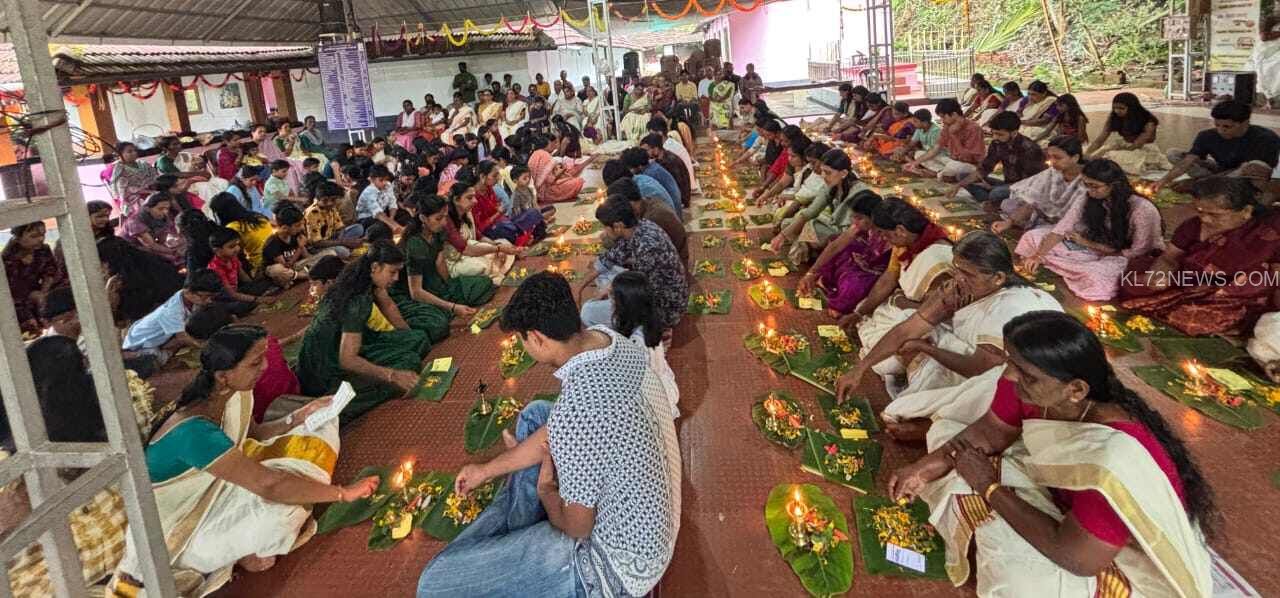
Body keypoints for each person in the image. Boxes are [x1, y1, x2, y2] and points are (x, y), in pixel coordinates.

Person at [889, 311, 1213, 598]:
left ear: (1076, 390)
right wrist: (922, 469)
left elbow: (1078, 559)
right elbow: (990, 431)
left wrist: (988, 486)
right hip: (1064, 506)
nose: (1009, 376)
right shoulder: (1030, 383)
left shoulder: (1113, 458)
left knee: (1017, 579)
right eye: (1010, 363)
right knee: (948, 441)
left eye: (1026, 375)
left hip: (1114, 556)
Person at [416, 272, 679, 597]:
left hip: (617, 564)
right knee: (537, 414)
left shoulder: (578, 409)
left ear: (537, 338)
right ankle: (514, 527)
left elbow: (579, 527)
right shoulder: (610, 340)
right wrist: (486, 470)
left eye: (522, 340)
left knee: (434, 581)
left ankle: (511, 530)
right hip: (652, 513)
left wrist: (547, 495)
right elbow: (556, 430)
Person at [110, 325, 378, 597]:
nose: (265, 367)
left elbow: (255, 434)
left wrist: (300, 416)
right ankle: (231, 556)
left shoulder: (234, 392)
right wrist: (343, 493)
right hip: (179, 532)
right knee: (283, 515)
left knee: (320, 425)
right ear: (223, 375)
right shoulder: (192, 431)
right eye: (254, 363)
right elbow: (268, 485)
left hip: (220, 488)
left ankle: (243, 546)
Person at [839, 231, 1062, 429]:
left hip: (1009, 386)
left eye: (968, 275)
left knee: (898, 412)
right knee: (901, 336)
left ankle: (929, 422)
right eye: (956, 270)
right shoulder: (962, 287)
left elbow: (979, 370)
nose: (958, 279)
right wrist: (859, 370)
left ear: (998, 278)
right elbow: (908, 329)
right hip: (976, 364)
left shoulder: (1009, 306)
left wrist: (926, 349)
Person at [3, 336, 160, 598]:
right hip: (134, 535)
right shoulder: (123, 399)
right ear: (84, 365)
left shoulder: (25, 453)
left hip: (79, 570)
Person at [1120, 176, 1280, 335]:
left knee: (1187, 319)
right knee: (1132, 283)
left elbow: (1273, 275)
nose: (1205, 219)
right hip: (1188, 281)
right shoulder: (1192, 226)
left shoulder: (1267, 235)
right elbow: (1169, 257)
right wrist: (1161, 273)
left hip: (1234, 293)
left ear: (1246, 211)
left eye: (1215, 215)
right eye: (1200, 211)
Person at [295, 243, 433, 421]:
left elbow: (388, 306)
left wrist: (407, 337)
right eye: (392, 272)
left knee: (418, 338)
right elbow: (347, 360)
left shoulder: (364, 276)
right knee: (408, 363)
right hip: (324, 367)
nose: (397, 278)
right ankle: (330, 406)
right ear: (375, 267)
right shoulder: (356, 300)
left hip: (350, 345)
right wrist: (392, 375)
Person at [1017, 159, 1164, 301]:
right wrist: (1038, 256)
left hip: (1125, 257)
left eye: (1094, 186)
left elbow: (1139, 251)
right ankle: (1070, 267)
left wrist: (1090, 244)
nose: (1089, 190)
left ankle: (1071, 267)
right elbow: (1063, 227)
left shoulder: (1142, 208)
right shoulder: (1088, 196)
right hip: (1095, 246)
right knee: (1033, 237)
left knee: (1093, 275)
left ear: (1114, 185)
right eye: (1086, 184)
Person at [845, 199, 954, 387]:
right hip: (903, 305)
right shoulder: (905, 242)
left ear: (900, 230)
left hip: (930, 320)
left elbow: (938, 311)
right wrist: (859, 313)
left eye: (884, 234)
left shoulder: (937, 258)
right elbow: (889, 278)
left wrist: (901, 301)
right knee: (863, 307)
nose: (883, 240)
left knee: (884, 363)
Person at [391, 192, 497, 343]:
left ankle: (444, 307)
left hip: (435, 283)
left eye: (445, 217)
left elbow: (440, 264)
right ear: (423, 218)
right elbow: (416, 292)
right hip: (413, 294)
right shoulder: (415, 244)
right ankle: (441, 311)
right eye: (438, 218)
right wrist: (452, 306)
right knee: (438, 326)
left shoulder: (437, 232)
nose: (444, 222)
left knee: (484, 284)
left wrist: (450, 289)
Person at [580, 199, 688, 331]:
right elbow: (608, 259)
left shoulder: (647, 247)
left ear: (618, 226)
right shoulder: (639, 226)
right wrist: (579, 289)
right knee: (603, 272)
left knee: (588, 312)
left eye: (605, 227)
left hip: (664, 309)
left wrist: (611, 290)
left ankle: (644, 331)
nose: (604, 232)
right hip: (647, 285)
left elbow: (641, 292)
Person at [798, 191, 891, 316]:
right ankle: (828, 282)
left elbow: (889, 274)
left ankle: (842, 304)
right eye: (853, 217)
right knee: (837, 245)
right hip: (860, 261)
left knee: (853, 284)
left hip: (875, 273)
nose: (854, 221)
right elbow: (835, 246)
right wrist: (811, 273)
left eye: (859, 218)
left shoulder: (887, 234)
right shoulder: (858, 227)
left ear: (874, 218)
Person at [771, 149, 872, 263]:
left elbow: (850, 229)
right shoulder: (831, 185)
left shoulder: (858, 193)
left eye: (827, 172)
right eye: (822, 171)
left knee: (812, 231)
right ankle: (810, 251)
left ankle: (816, 255)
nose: (823, 176)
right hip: (833, 225)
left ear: (844, 173)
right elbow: (810, 212)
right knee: (789, 224)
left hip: (850, 233)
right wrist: (782, 236)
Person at [1157, 100, 1280, 192]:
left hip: (1244, 177)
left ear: (1245, 123)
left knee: (1254, 169)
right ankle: (1212, 183)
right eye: (1217, 125)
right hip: (1220, 170)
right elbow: (1188, 161)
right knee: (1174, 154)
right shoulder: (1207, 135)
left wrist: (1196, 184)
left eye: (1227, 127)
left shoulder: (1265, 138)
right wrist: (1164, 180)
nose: (1221, 131)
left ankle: (1210, 184)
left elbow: (1252, 170)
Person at [610, 270, 680, 415]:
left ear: (624, 304)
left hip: (653, 398)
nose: (610, 299)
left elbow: (632, 380)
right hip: (662, 383)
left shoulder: (635, 342)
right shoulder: (650, 321)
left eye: (613, 296)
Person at [948, 111, 1046, 208]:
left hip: (1024, 189)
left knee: (996, 193)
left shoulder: (1029, 149)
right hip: (1007, 184)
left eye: (999, 134)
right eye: (993, 133)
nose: (995, 137)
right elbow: (984, 169)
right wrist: (958, 185)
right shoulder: (997, 143)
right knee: (962, 177)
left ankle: (994, 200)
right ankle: (993, 200)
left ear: (1014, 133)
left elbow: (1031, 183)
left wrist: (993, 187)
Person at [992, 136, 1087, 233]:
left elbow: (1078, 213)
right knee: (1007, 203)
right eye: (1050, 157)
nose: (1052, 162)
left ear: (1075, 158)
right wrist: (1009, 222)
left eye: (1058, 158)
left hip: (1072, 221)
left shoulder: (1088, 178)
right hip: (1047, 215)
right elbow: (1033, 200)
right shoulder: (1053, 172)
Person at [122, 269, 223, 357]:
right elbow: (182, 337)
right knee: (154, 358)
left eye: (212, 297)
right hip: (138, 344)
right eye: (205, 296)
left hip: (156, 338)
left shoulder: (184, 296)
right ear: (188, 292)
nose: (209, 300)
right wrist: (203, 346)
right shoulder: (172, 310)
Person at [443, 181, 520, 283]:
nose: (475, 201)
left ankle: (495, 271)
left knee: (503, 242)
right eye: (469, 198)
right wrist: (498, 249)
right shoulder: (447, 221)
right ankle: (494, 275)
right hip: (457, 260)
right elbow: (465, 249)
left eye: (474, 197)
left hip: (472, 248)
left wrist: (497, 246)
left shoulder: (468, 213)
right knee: (481, 266)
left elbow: (479, 236)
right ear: (456, 200)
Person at [97, 236, 184, 325]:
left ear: (109, 261)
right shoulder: (149, 260)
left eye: (103, 263)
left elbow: (121, 321)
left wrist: (110, 296)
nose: (103, 268)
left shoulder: (123, 282)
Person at [3, 221, 65, 334]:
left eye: (43, 234)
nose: (41, 239)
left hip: (40, 292)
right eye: (34, 236)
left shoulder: (43, 250)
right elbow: (11, 290)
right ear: (18, 238)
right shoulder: (7, 260)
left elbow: (50, 272)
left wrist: (43, 293)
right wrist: (32, 296)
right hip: (16, 302)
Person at [1085, 92, 1170, 175]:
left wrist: (1111, 150)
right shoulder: (1114, 117)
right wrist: (1087, 154)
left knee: (1109, 156)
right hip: (1124, 146)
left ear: (1132, 108)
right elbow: (1100, 140)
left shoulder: (1148, 121)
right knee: (1094, 153)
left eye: (1121, 108)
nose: (1117, 111)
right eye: (1115, 108)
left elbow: (1136, 145)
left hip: (1141, 149)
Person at [608, 177, 688, 263]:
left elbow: (636, 250)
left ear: (628, 202)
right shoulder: (646, 202)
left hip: (674, 262)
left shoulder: (652, 218)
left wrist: (613, 237)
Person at [905, 98, 985, 181]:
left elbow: (968, 158)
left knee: (955, 167)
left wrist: (953, 135)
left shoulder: (974, 129)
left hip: (969, 164)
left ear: (954, 114)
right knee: (919, 154)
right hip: (951, 160)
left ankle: (937, 173)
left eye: (943, 117)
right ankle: (942, 173)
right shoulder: (947, 126)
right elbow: (935, 149)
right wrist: (914, 163)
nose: (942, 121)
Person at [262, 205, 342, 287]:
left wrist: (317, 261)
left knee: (331, 253)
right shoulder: (272, 242)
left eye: (301, 224)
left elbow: (307, 257)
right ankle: (308, 275)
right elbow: (287, 266)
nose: (301, 228)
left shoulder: (296, 234)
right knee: (277, 270)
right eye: (297, 225)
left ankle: (298, 277)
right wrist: (300, 247)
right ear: (285, 228)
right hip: (286, 269)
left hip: (298, 267)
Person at [210, 192, 274, 275]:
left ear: (220, 213)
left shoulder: (233, 227)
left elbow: (235, 253)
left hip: (261, 264)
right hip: (276, 255)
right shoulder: (257, 216)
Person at [120, 192, 185, 267]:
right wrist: (173, 252)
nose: (165, 212)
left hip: (147, 245)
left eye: (167, 208)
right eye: (160, 208)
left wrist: (174, 248)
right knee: (169, 259)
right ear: (147, 208)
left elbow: (162, 239)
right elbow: (150, 245)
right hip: (129, 250)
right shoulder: (135, 222)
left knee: (179, 252)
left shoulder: (163, 217)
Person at [305, 181, 365, 256]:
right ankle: (343, 248)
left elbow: (340, 227)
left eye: (333, 200)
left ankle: (344, 246)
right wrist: (344, 242)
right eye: (325, 200)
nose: (329, 203)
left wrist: (343, 240)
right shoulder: (312, 213)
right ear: (318, 199)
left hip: (332, 238)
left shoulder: (332, 207)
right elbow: (316, 243)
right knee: (343, 252)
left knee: (358, 228)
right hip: (318, 246)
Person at [528, 135, 588, 203]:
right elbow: (549, 180)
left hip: (536, 191)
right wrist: (561, 171)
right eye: (554, 143)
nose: (555, 146)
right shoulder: (545, 155)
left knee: (570, 178)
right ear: (549, 143)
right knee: (578, 182)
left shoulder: (535, 153)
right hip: (545, 192)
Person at [640, 134, 691, 208]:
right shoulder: (664, 157)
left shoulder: (669, 162)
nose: (643, 154)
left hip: (681, 202)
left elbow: (677, 188)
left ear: (656, 149)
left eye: (645, 150)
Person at [356, 164, 401, 234]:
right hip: (367, 218)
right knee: (381, 225)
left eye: (386, 179)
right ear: (372, 180)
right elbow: (378, 213)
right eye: (381, 180)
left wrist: (391, 218)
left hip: (382, 213)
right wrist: (394, 225)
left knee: (402, 214)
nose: (384, 182)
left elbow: (392, 203)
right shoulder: (369, 192)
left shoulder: (388, 185)